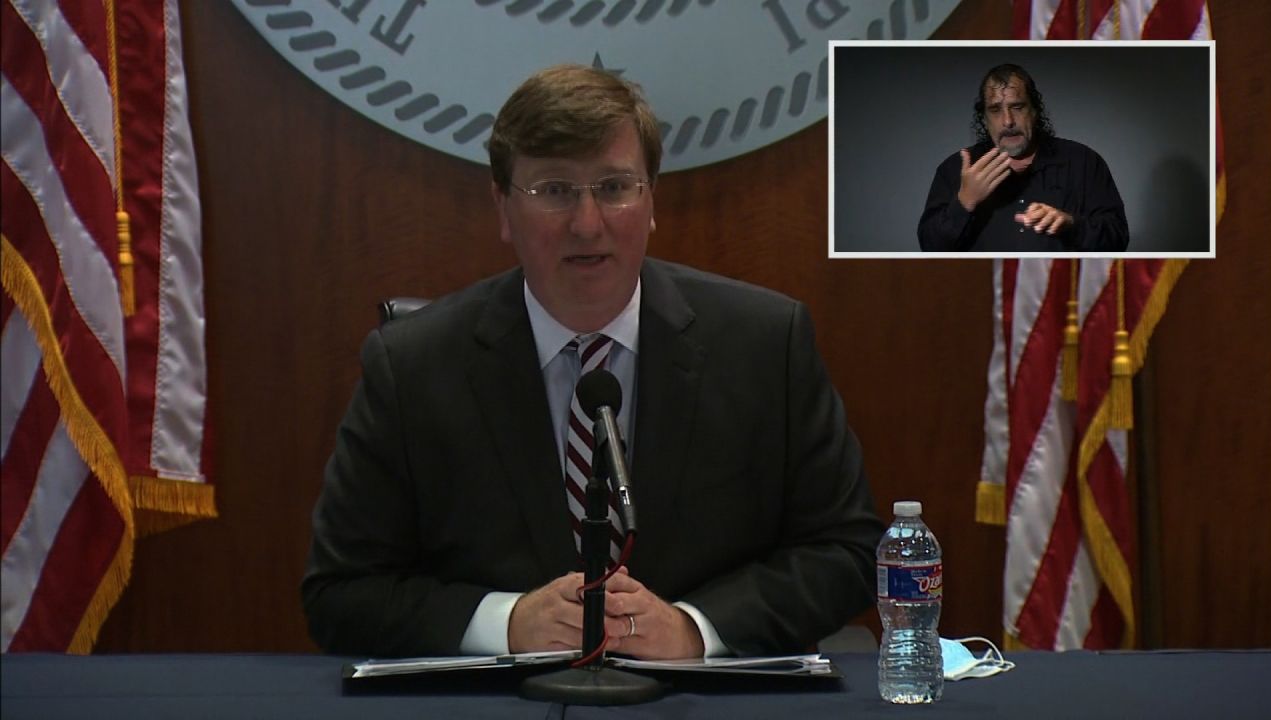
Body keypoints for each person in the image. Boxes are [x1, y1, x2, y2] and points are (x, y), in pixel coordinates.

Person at [301, 64, 883, 660]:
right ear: (503, 208)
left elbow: (849, 549)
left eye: (613, 187)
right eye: (554, 191)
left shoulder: (764, 346)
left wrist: (696, 629)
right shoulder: (413, 367)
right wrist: (506, 624)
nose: (587, 223)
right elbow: (340, 592)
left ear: (651, 199)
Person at [917, 63, 1129, 251]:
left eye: (1017, 107)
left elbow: (1117, 239)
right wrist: (964, 202)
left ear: (1035, 111)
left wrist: (1071, 224)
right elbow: (930, 247)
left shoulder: (1083, 162)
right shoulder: (954, 170)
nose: (1008, 121)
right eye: (995, 110)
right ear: (984, 118)